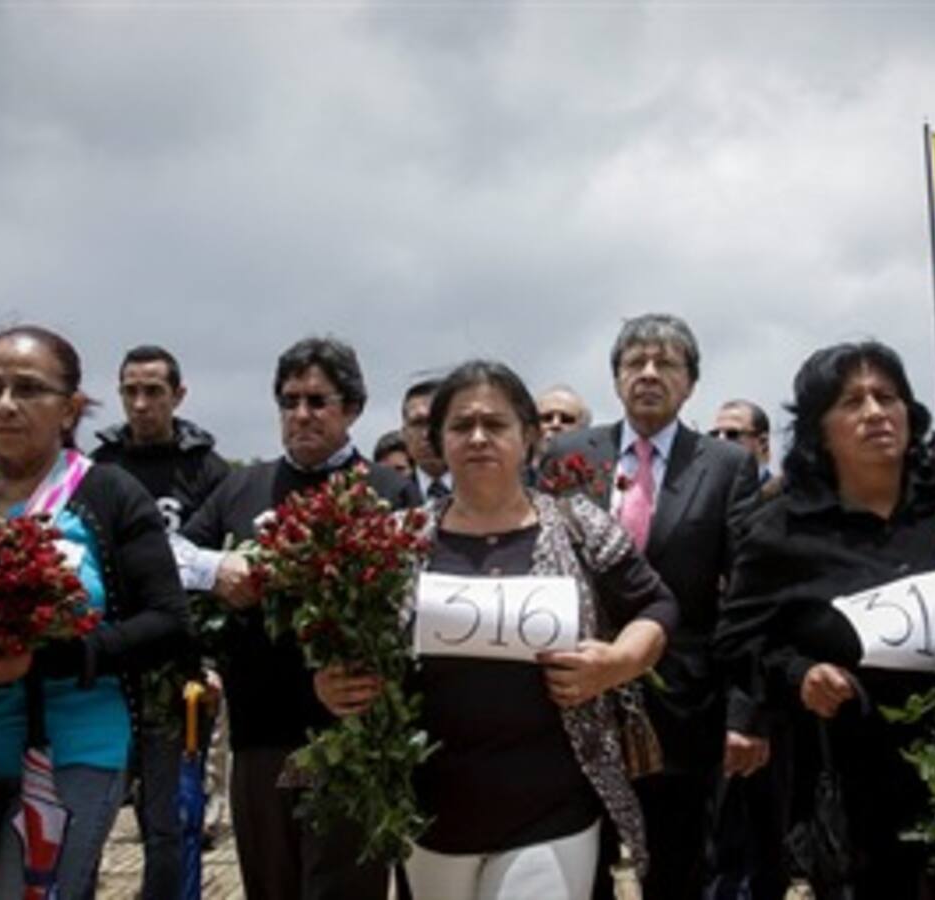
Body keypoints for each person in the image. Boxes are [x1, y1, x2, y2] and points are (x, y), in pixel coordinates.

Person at [714, 340, 935, 900]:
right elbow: (737, 643)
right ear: (817, 429)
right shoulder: (781, 531)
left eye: (888, 396)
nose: (876, 413)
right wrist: (798, 676)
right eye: (851, 402)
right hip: (860, 791)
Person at [315, 359, 677, 900]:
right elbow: (339, 643)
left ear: (529, 437)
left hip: (551, 806)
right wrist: (331, 683)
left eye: (496, 424)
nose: (478, 438)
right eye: (461, 426)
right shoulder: (396, 542)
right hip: (431, 811)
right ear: (436, 440)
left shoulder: (580, 525)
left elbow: (658, 605)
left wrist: (618, 663)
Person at [176, 336, 416, 900]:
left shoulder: (385, 490)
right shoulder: (241, 487)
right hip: (260, 739)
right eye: (289, 401)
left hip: (348, 740)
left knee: (343, 887)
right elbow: (170, 555)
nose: (300, 415)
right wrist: (219, 569)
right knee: (270, 886)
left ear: (352, 408)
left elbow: (411, 605)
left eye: (317, 401)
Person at [0, 325, 187, 898]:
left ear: (69, 409)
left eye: (28, 389)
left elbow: (167, 622)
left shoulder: (108, 494)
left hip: (74, 746)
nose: (6, 404)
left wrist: (48, 659)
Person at [544, 314, 761, 900]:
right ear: (615, 379)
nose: (647, 374)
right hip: (574, 698)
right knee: (575, 868)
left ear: (690, 383)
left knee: (675, 869)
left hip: (682, 708)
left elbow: (744, 597)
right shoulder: (567, 456)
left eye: (665, 363)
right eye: (634, 363)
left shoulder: (726, 467)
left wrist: (744, 715)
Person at [91, 343, 230, 899]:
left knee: (169, 814)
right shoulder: (100, 469)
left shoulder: (209, 470)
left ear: (178, 395)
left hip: (178, 665)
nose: (141, 403)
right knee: (94, 808)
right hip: (106, 660)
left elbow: (223, 566)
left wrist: (212, 661)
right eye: (130, 391)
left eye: (154, 391)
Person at [710, 399, 782, 500]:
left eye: (732, 434)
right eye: (714, 435)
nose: (720, 441)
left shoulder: (779, 499)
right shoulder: (706, 500)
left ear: (762, 442)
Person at [401, 378, 452, 503]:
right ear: (404, 434)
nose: (427, 434)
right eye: (418, 423)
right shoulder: (390, 495)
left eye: (437, 422)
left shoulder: (485, 489)